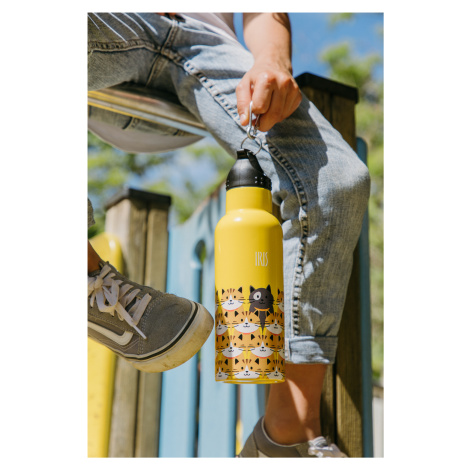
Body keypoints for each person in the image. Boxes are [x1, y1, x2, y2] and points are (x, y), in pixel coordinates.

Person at [87, 12, 370, 458]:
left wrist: (273, 60)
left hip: (206, 42)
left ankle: (285, 436)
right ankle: (90, 282)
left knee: (334, 180)